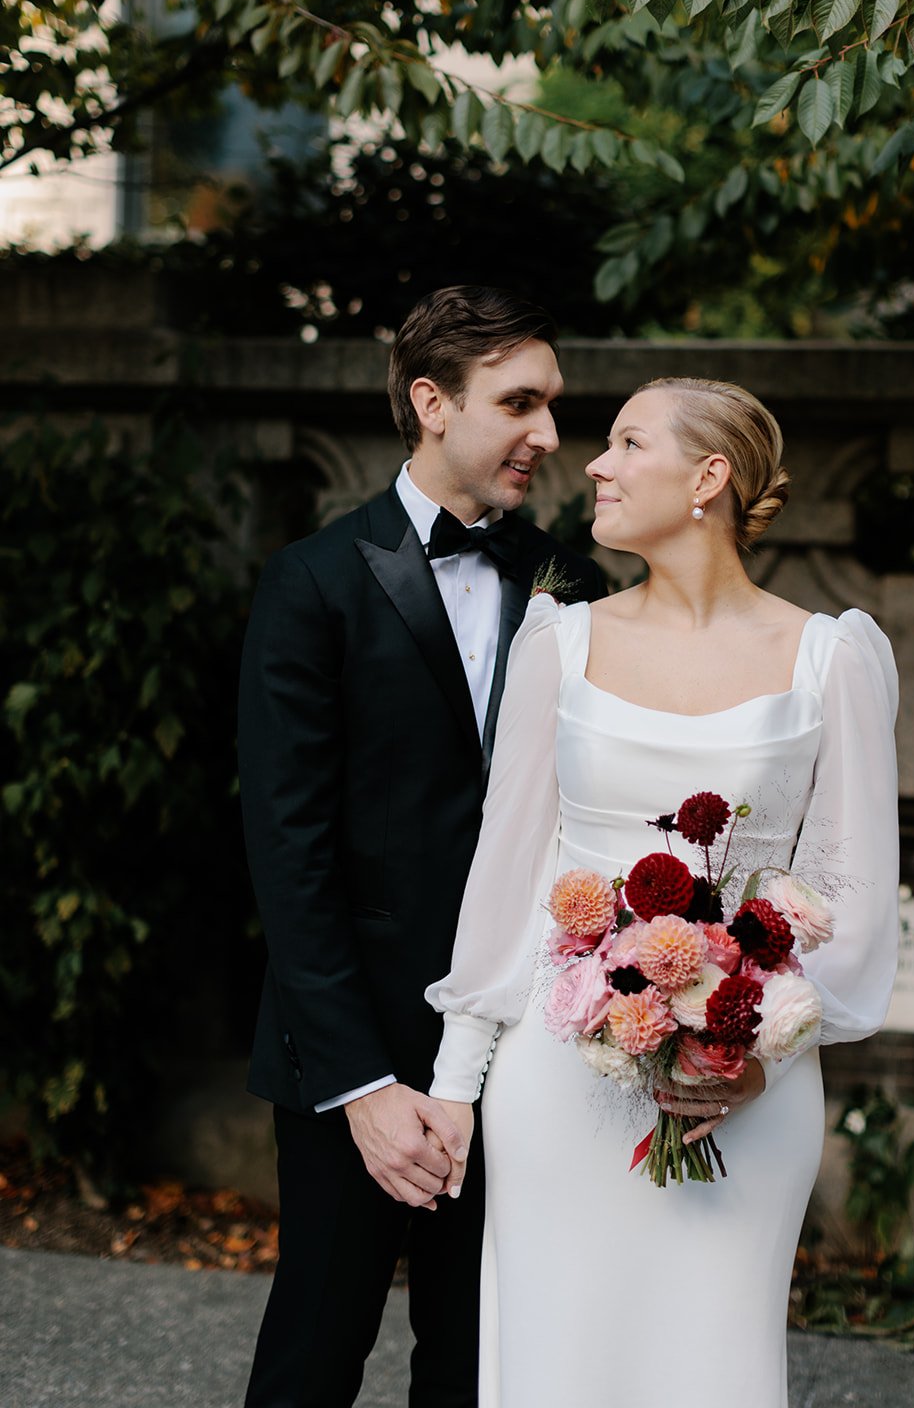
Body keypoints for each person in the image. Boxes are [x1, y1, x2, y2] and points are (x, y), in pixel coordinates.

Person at [427, 377, 900, 1408]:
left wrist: (757, 1052)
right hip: (561, 1078)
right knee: (556, 1355)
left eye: (626, 442)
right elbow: (507, 875)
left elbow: (849, 891)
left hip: (747, 1087)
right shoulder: (560, 641)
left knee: (710, 1363)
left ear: (707, 477)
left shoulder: (833, 658)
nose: (592, 463)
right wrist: (455, 1082)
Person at [237, 285, 606, 1408]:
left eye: (552, 406)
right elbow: (287, 855)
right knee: (314, 1351)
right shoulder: (312, 584)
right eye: (520, 403)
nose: (548, 436)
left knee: (482, 1362)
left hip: (524, 1050)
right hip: (352, 1053)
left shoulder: (572, 583)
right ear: (431, 401)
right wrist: (361, 1085)